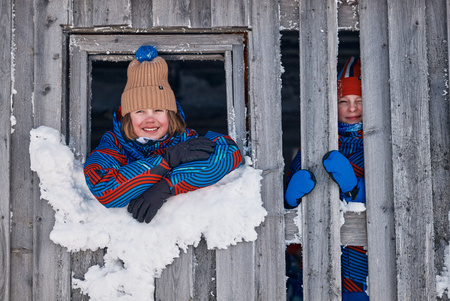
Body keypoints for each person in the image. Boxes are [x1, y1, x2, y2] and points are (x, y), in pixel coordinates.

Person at [84, 45, 243, 223]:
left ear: (170, 114)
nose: (150, 119)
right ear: (127, 117)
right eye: (140, 111)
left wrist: (166, 186)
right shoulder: (115, 146)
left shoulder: (185, 141)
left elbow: (229, 153)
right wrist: (165, 161)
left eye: (158, 110)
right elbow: (105, 189)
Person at [284, 57, 369, 301]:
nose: (352, 108)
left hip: (363, 256)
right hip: (317, 254)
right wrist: (290, 199)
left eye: (358, 101)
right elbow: (288, 202)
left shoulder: (376, 143)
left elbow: (391, 195)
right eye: (344, 101)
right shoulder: (313, 145)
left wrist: (355, 188)